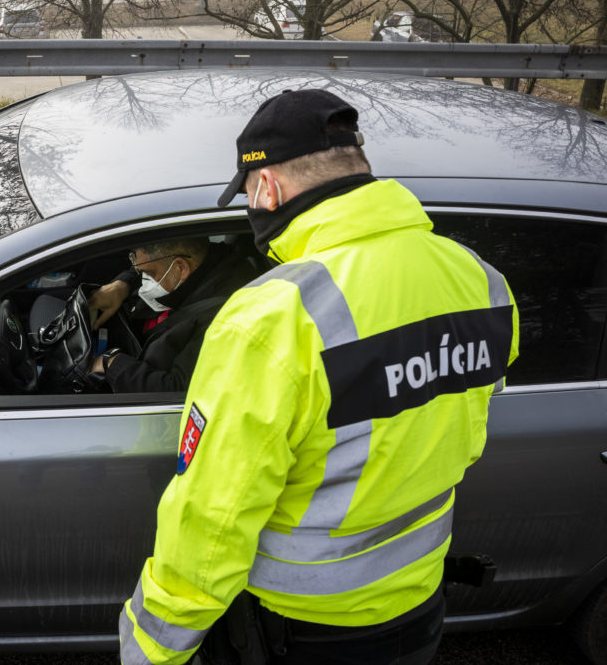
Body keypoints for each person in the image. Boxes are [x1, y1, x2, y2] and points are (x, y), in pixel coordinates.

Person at [119, 89, 520, 664]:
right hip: (421, 601)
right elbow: (459, 405)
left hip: (306, 626)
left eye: (249, 195)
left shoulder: (271, 318)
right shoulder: (480, 280)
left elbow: (214, 513)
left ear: (267, 188)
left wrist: (154, 648)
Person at [88, 237, 257, 393]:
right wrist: (122, 285)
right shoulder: (207, 260)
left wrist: (111, 363)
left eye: (149, 274)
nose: (143, 280)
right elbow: (151, 263)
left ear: (181, 268)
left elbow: (175, 389)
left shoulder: (222, 321)